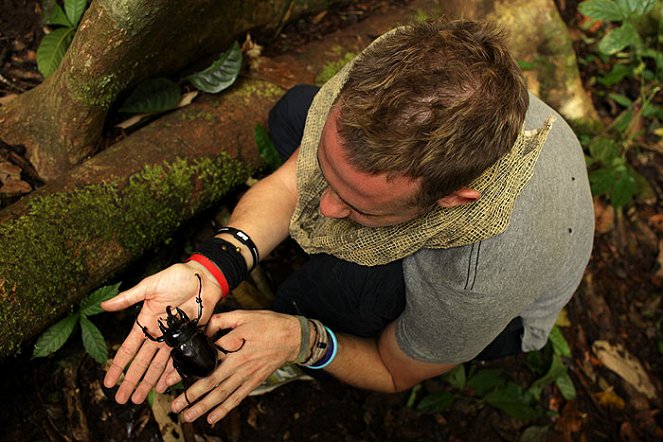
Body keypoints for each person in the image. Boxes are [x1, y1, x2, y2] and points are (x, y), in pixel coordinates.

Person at [101, 19, 594, 425]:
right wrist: (212, 268)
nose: (325, 208)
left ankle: (296, 348)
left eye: (358, 205)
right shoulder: (391, 78)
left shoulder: (476, 275)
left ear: (451, 198)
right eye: (331, 177)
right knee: (293, 110)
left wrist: (300, 338)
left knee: (333, 291)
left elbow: (394, 371)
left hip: (497, 316)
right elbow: (292, 183)